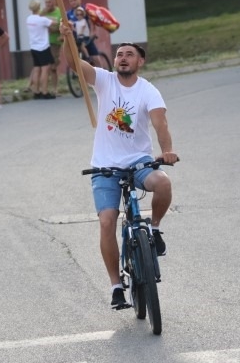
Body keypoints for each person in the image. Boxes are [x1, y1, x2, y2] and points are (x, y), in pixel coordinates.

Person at [61, 27, 179, 310]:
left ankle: (155, 228)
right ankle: (116, 286)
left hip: (139, 162)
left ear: (140, 61)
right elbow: (76, 64)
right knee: (107, 221)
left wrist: (166, 152)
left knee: (163, 184)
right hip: (104, 167)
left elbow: (160, 123)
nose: (123, 58)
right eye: (119, 55)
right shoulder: (104, 81)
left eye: (129, 54)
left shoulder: (148, 90)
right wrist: (67, 40)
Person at [66, 0, 107, 69]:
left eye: (75, 0)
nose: (73, 2)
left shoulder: (86, 10)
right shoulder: (68, 14)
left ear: (80, 0)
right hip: (76, 39)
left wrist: (92, 33)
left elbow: (92, 23)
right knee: (76, 60)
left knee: (95, 58)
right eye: (71, 1)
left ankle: (103, 74)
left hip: (87, 38)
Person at [26, 0, 57, 99]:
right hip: (43, 47)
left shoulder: (29, 19)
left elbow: (41, 19)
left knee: (36, 69)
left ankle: (36, 91)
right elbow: (55, 22)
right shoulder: (42, 20)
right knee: (45, 70)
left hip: (33, 46)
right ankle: (45, 91)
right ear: (39, 7)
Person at [43, 0, 64, 97]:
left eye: (50, 2)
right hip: (42, 43)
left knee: (53, 67)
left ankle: (55, 89)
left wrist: (54, 29)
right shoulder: (42, 13)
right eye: (46, 2)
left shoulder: (59, 12)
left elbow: (62, 25)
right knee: (44, 67)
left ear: (54, 2)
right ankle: (43, 89)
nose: (48, 4)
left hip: (55, 42)